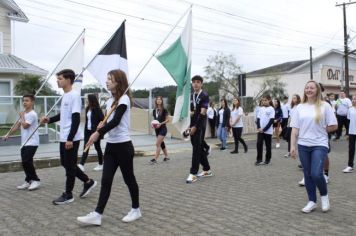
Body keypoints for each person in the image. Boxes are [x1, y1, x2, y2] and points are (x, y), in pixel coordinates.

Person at [77, 69, 141, 225]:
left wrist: (98, 133)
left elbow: (117, 121)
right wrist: (101, 125)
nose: (107, 81)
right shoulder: (109, 101)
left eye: (110, 79)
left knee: (129, 179)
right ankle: (97, 215)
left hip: (124, 146)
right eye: (107, 79)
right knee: (106, 180)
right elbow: (108, 121)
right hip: (111, 147)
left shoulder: (124, 99)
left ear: (118, 82)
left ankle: (136, 209)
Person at [41, 69, 96, 205]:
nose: (57, 81)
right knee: (66, 164)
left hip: (71, 137)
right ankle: (88, 182)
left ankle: (68, 194)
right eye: (57, 78)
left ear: (68, 80)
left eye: (60, 78)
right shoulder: (65, 95)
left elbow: (76, 118)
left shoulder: (74, 95)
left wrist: (70, 138)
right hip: (64, 136)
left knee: (70, 166)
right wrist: (50, 120)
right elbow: (63, 115)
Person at [290, 80, 337, 213]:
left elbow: (334, 125)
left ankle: (324, 196)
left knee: (316, 173)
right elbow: (294, 129)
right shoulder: (299, 107)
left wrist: (323, 130)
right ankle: (312, 201)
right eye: (307, 88)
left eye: (312, 88)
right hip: (303, 145)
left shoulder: (325, 106)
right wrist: (292, 146)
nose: (309, 90)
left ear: (317, 90)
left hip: (319, 144)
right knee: (308, 174)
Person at [3, 94, 41, 190]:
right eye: (23, 100)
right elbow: (17, 126)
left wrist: (22, 117)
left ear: (32, 102)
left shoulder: (32, 114)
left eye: (27, 100)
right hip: (24, 142)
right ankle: (28, 181)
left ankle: (36, 180)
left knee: (26, 161)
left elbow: (25, 126)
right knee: (25, 163)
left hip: (32, 142)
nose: (24, 102)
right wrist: (8, 134)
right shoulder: (24, 113)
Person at [185, 75, 213, 184]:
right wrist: (189, 126)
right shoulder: (193, 95)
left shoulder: (204, 95)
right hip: (193, 124)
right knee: (199, 147)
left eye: (198, 82)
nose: (195, 84)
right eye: (194, 82)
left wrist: (195, 126)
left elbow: (202, 113)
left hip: (200, 125)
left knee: (196, 148)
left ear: (201, 84)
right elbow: (192, 113)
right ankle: (207, 169)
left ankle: (193, 173)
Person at [78, 94, 104, 172]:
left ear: (91, 100)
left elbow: (103, 120)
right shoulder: (87, 108)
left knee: (97, 147)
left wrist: (98, 130)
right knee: (86, 146)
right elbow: (87, 121)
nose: (86, 100)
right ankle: (81, 164)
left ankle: (101, 164)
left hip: (95, 132)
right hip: (87, 131)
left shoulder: (97, 109)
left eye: (87, 99)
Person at [149, 96, 170, 164]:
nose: (158, 101)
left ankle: (155, 158)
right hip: (157, 129)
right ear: (156, 101)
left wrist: (160, 124)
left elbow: (167, 120)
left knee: (158, 143)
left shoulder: (164, 110)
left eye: (160, 99)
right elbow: (155, 120)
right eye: (157, 99)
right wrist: (153, 125)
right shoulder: (154, 110)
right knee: (161, 143)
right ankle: (166, 156)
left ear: (162, 101)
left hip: (163, 128)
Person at [255, 95, 275, 165]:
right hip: (260, 131)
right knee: (259, 144)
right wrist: (259, 128)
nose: (264, 101)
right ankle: (259, 159)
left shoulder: (271, 109)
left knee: (268, 146)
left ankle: (267, 160)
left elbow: (271, 121)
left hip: (268, 131)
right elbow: (258, 119)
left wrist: (264, 129)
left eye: (265, 100)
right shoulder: (261, 109)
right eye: (263, 100)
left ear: (269, 100)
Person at [343, 95, 356, 173]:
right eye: (353, 99)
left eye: (355, 99)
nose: (354, 100)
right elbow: (348, 122)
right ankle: (350, 166)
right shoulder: (350, 109)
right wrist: (347, 133)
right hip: (352, 132)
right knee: (351, 149)